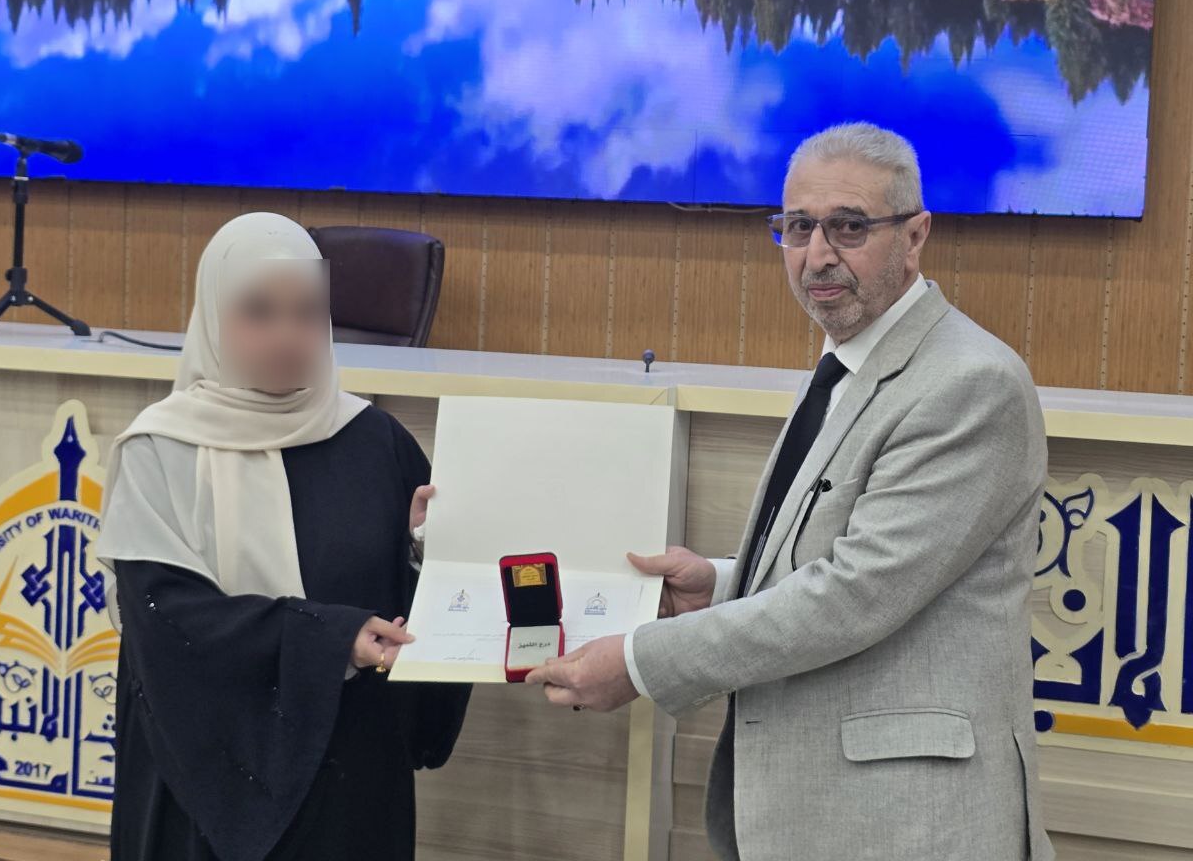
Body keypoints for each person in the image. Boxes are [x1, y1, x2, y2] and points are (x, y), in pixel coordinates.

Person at [527, 123, 1053, 860]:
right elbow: (841, 559)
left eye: (849, 227)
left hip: (910, 824)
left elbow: (855, 595)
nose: (817, 254)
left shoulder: (969, 382)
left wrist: (643, 661)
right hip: (828, 811)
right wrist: (721, 584)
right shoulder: (848, 363)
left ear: (915, 236)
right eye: (799, 227)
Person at [97, 212, 470, 861]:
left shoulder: (375, 441)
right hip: (201, 777)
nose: (287, 335)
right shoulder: (160, 449)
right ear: (212, 317)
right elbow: (165, 617)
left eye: (308, 312)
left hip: (348, 773)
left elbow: (415, 617)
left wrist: (421, 554)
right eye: (259, 313)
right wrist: (328, 641)